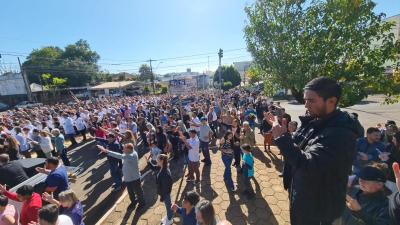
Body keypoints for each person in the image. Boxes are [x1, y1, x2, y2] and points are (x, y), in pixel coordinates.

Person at [270, 77, 363, 225]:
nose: (306, 105)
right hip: (302, 194)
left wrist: (282, 138)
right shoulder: (315, 119)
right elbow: (298, 148)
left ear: (331, 101)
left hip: (319, 209)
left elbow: (308, 165)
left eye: (311, 100)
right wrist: (285, 134)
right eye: (305, 99)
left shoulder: (341, 135)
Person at [98, 143, 145, 208]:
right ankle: (133, 202)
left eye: (124, 149)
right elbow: (124, 152)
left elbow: (119, 156)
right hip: (128, 178)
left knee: (138, 191)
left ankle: (142, 203)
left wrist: (106, 150)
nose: (123, 150)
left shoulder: (131, 155)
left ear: (128, 149)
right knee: (130, 192)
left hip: (134, 178)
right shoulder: (130, 152)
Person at [156, 154, 173, 225]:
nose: (156, 160)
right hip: (165, 192)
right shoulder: (164, 167)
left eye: (157, 160)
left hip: (165, 193)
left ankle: (170, 219)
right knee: (168, 205)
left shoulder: (164, 172)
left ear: (162, 161)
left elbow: (166, 186)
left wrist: (162, 195)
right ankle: (169, 216)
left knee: (168, 205)